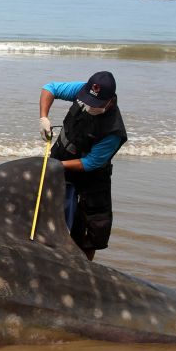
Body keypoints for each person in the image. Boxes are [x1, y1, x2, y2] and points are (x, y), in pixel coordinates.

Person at [38, 71, 127, 261]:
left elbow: (90, 163)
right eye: (89, 101)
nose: (90, 107)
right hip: (60, 161)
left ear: (110, 101)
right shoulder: (82, 91)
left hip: (91, 178)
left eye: (96, 105)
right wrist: (43, 117)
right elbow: (49, 88)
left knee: (90, 233)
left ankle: (85, 270)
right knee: (45, 214)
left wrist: (57, 165)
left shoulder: (113, 131)